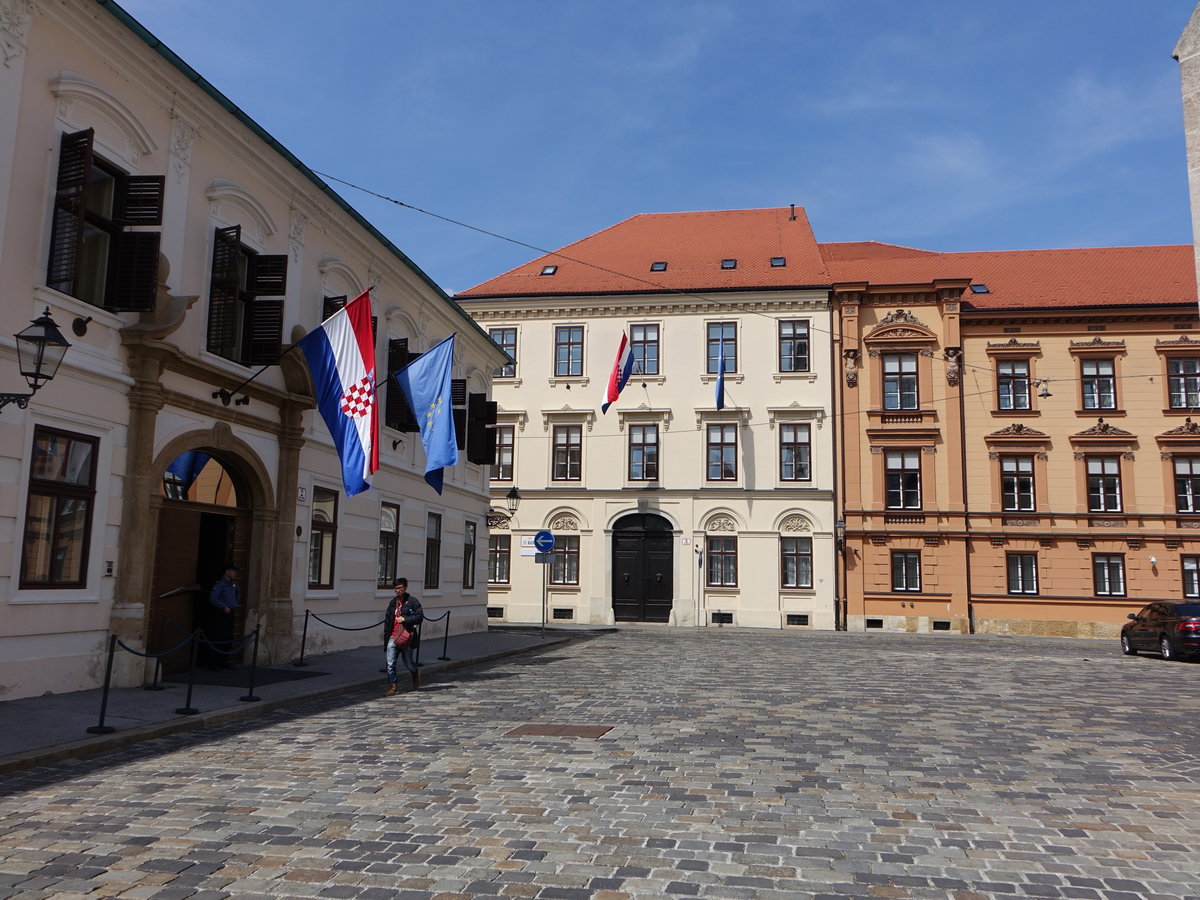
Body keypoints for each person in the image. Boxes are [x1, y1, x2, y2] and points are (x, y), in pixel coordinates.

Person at [382, 577, 424, 695]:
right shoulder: (392, 603)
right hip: (393, 636)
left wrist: (405, 619)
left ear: (405, 587)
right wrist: (386, 640)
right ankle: (393, 686)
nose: (397, 590)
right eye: (395, 588)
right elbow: (387, 622)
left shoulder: (412, 602)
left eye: (400, 588)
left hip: (407, 637)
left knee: (408, 663)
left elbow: (420, 617)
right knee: (390, 663)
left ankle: (415, 673)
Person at [204, 563, 240, 670]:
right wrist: (224, 606)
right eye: (233, 571)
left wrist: (234, 604)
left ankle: (224, 661)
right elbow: (213, 598)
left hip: (231, 612)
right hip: (222, 613)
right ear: (227, 572)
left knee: (228, 637)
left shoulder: (233, 584)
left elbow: (237, 594)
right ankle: (213, 663)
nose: (235, 573)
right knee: (218, 636)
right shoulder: (220, 584)